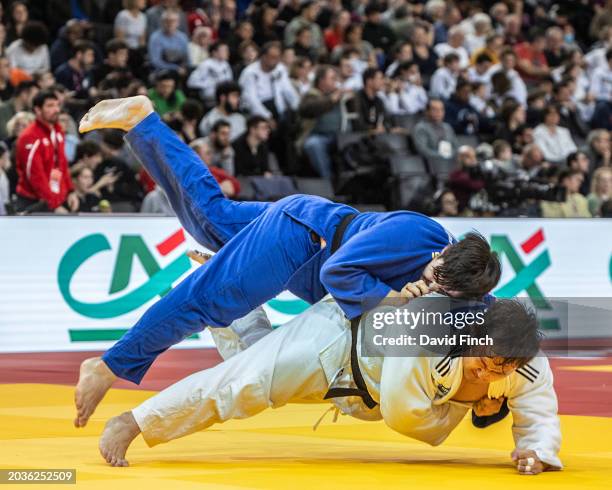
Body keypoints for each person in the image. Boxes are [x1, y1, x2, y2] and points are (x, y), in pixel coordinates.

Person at [74, 95, 501, 428]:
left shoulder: (467, 286)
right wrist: (392, 298)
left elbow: (507, 318)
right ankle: (110, 365)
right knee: (206, 299)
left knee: (209, 215)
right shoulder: (414, 232)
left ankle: (143, 121)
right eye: (432, 277)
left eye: (443, 291)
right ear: (440, 252)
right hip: (300, 240)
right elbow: (338, 272)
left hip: (309, 229)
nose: (431, 289)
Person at [97, 297, 562, 475]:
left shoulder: (524, 364)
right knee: (244, 383)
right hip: (337, 341)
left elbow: (539, 414)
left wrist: (535, 451)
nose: (490, 373)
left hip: (356, 392)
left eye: (504, 369)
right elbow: (405, 415)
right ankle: (133, 421)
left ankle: (234, 309)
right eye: (485, 361)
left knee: (250, 366)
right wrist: (472, 402)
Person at [14, 90, 77, 213]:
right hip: (33, 201)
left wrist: (70, 191)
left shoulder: (58, 131)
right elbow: (34, 175)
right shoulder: (30, 136)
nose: (56, 109)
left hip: (54, 198)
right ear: (37, 110)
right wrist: (53, 205)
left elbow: (62, 165)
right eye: (50, 106)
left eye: (57, 105)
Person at [298, 65, 345, 178]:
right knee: (313, 144)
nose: (335, 81)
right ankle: (327, 180)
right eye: (332, 78)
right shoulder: (312, 95)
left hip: (342, 135)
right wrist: (331, 100)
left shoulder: (341, 95)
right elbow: (307, 109)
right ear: (321, 80)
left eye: (336, 78)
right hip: (319, 136)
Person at [186, 41, 233, 108]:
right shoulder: (206, 64)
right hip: (209, 98)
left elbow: (229, 81)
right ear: (214, 52)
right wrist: (209, 84)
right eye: (224, 50)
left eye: (227, 50)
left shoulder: (226, 65)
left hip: (223, 97)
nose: (227, 53)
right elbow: (191, 82)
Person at [413, 99, 458, 168]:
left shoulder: (447, 127)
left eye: (441, 109)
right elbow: (423, 151)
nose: (439, 112)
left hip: (450, 162)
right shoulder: (421, 128)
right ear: (427, 112)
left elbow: (456, 146)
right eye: (435, 109)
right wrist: (443, 156)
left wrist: (451, 154)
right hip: (432, 164)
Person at [148, 9, 189, 75]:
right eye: (167, 21)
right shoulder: (155, 37)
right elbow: (155, 61)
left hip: (180, 68)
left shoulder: (183, 37)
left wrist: (185, 68)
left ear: (178, 23)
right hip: (161, 70)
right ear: (161, 22)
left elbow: (187, 58)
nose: (170, 24)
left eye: (173, 21)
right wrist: (175, 68)